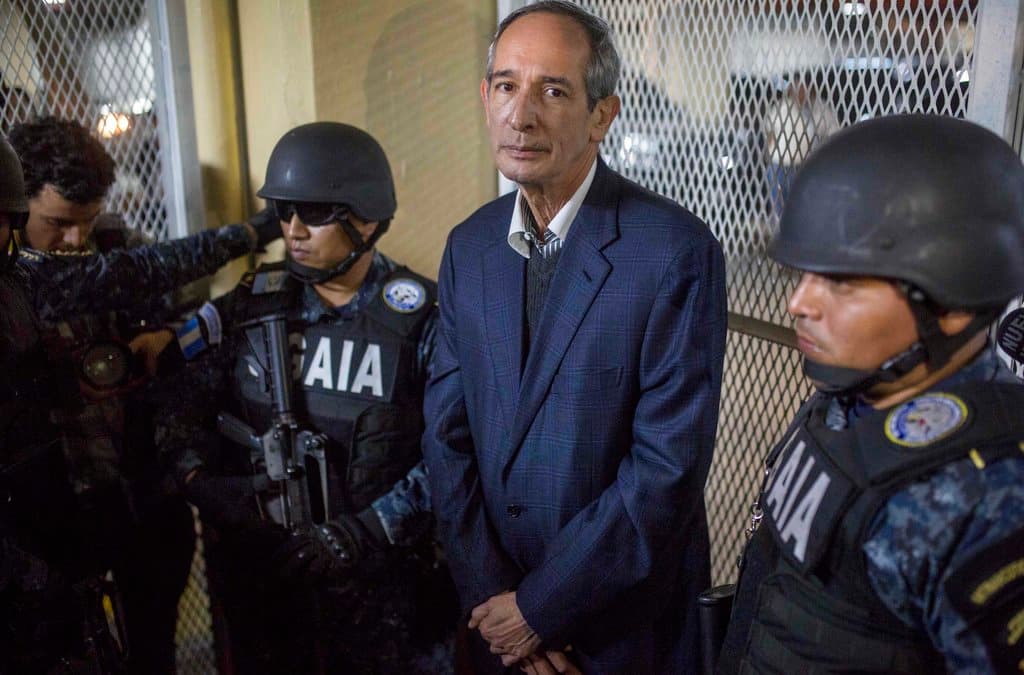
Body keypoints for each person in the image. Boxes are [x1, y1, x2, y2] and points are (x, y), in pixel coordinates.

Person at [421, 2, 727, 672]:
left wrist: (539, 611)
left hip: (618, 630)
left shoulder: (673, 253)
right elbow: (446, 439)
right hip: (496, 621)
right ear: (485, 96)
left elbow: (664, 474)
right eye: (505, 86)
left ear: (602, 114)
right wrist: (495, 601)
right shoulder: (469, 247)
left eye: (553, 91)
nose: (520, 114)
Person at [717, 114, 1024, 674]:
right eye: (805, 275)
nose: (798, 303)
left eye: (841, 282)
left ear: (951, 304)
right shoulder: (853, 396)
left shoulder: (992, 499)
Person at [155, 121, 454, 674]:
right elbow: (177, 402)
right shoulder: (250, 305)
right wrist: (200, 481)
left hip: (380, 598)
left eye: (315, 212)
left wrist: (364, 531)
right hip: (264, 586)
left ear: (367, 218)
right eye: (285, 210)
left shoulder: (424, 323)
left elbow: (456, 457)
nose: (293, 229)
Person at [763, 75, 839, 221]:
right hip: (779, 165)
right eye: (798, 88)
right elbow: (770, 131)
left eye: (805, 88)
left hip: (805, 166)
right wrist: (771, 153)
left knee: (802, 207)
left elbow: (834, 132)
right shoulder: (783, 107)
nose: (801, 93)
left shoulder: (821, 109)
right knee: (780, 209)